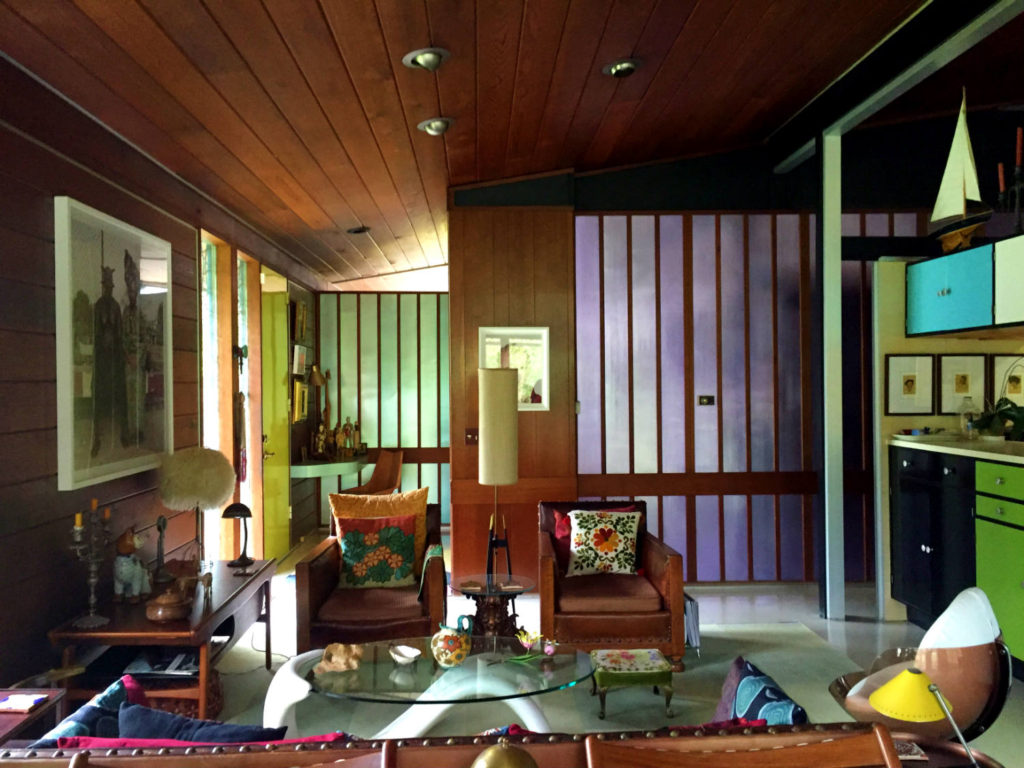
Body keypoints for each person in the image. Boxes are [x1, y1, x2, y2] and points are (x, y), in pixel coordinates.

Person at [91, 265, 126, 457]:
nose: (108, 290)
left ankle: (122, 434)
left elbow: (119, 333)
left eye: (110, 287)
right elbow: (96, 331)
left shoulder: (115, 307)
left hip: (114, 357)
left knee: (119, 394)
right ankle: (96, 437)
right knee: (98, 396)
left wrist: (118, 352)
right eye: (106, 286)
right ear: (103, 286)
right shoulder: (98, 306)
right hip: (102, 358)